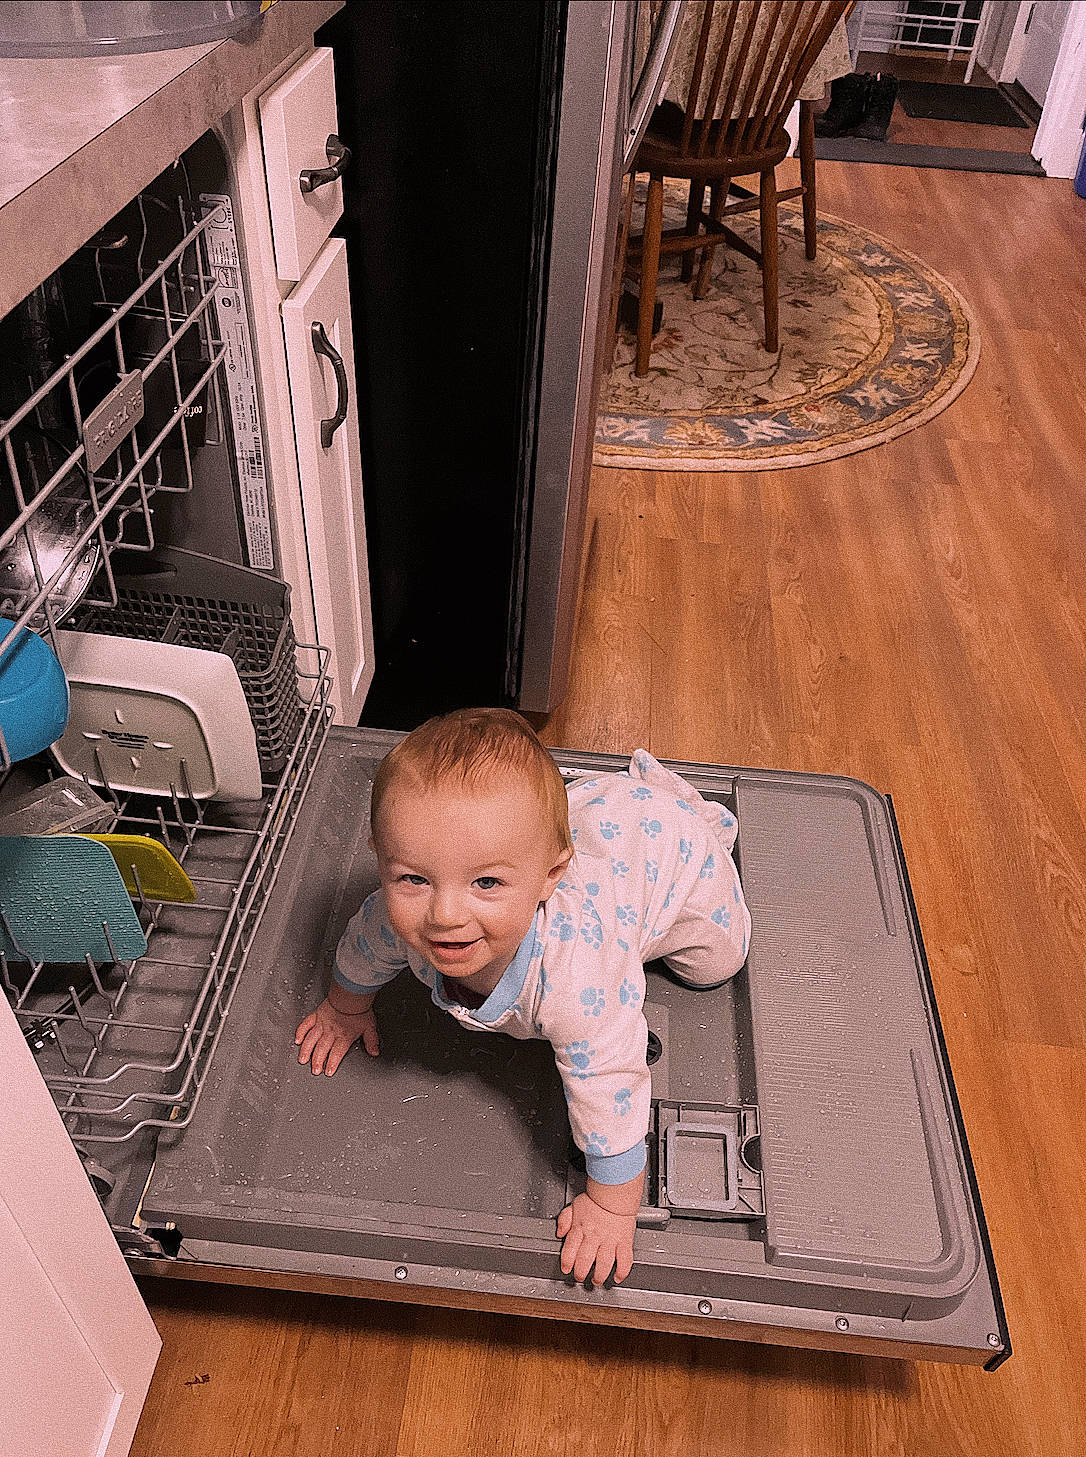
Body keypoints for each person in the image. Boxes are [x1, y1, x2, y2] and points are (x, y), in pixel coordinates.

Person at [295, 708, 750, 1288]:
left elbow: (613, 1080)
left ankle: (691, 815)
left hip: (674, 863)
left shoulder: (575, 979)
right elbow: (365, 945)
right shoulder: (398, 916)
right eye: (414, 878)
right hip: (597, 824)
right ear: (382, 859)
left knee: (716, 964)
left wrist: (612, 1208)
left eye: (486, 882)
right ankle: (624, 804)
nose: (445, 915)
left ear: (549, 877)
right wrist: (344, 1007)